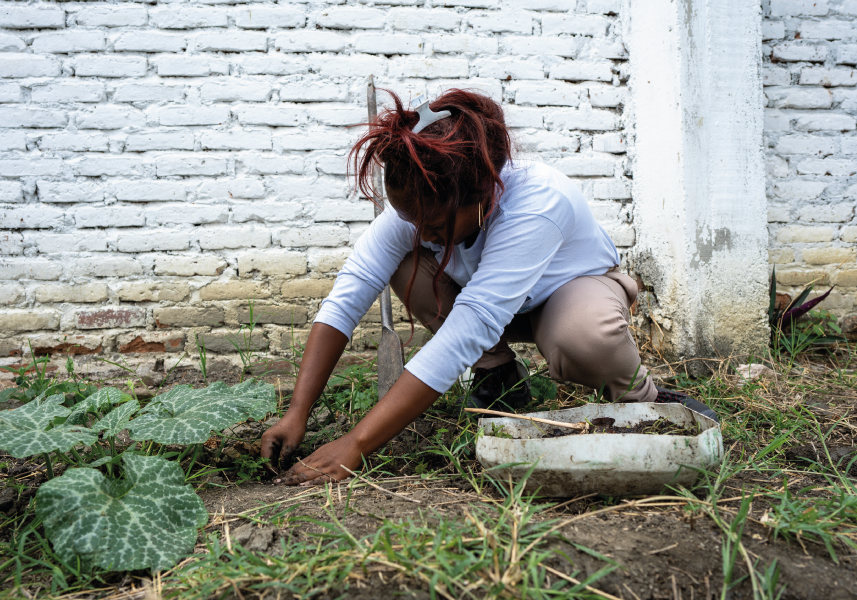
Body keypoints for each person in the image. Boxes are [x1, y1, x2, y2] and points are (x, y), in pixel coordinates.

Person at [260, 89, 716, 486]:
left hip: (569, 295)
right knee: (405, 264)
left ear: (482, 196)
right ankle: (498, 377)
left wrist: (358, 443)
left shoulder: (538, 201)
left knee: (583, 335)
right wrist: (297, 411)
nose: (420, 231)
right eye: (411, 220)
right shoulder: (421, 207)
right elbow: (349, 294)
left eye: (433, 224)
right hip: (496, 309)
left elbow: (472, 322)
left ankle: (646, 402)